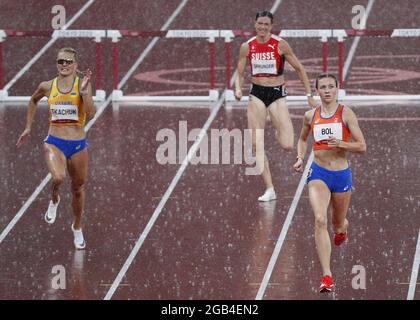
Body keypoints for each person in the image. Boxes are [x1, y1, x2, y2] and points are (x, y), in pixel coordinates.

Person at [16, 47, 96, 250]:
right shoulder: (47, 86)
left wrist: (85, 92)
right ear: (56, 64)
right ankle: (54, 198)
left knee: (78, 189)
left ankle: (77, 227)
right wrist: (28, 127)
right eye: (61, 61)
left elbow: (91, 114)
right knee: (58, 177)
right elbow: (33, 100)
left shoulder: (83, 84)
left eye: (69, 61)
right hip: (54, 142)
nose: (64, 65)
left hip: (78, 144)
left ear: (76, 65)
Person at [293, 73, 366, 292]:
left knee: (337, 223)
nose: (327, 91)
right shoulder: (310, 115)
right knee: (319, 219)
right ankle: (327, 276)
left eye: (330, 87)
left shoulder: (346, 114)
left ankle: (343, 229)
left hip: (341, 174)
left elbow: (362, 146)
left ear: (337, 89)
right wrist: (299, 157)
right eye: (322, 87)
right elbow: (303, 139)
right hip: (319, 173)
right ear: (317, 91)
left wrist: (342, 144)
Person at [234, 10, 316, 202]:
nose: (262, 27)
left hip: (277, 94)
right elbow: (239, 71)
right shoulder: (247, 47)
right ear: (255, 24)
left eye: (266, 25)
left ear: (271, 26)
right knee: (256, 144)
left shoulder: (280, 45)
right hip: (257, 94)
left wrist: (309, 95)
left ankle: (274, 121)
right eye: (259, 24)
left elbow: (299, 69)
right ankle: (270, 188)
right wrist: (238, 89)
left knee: (287, 145)